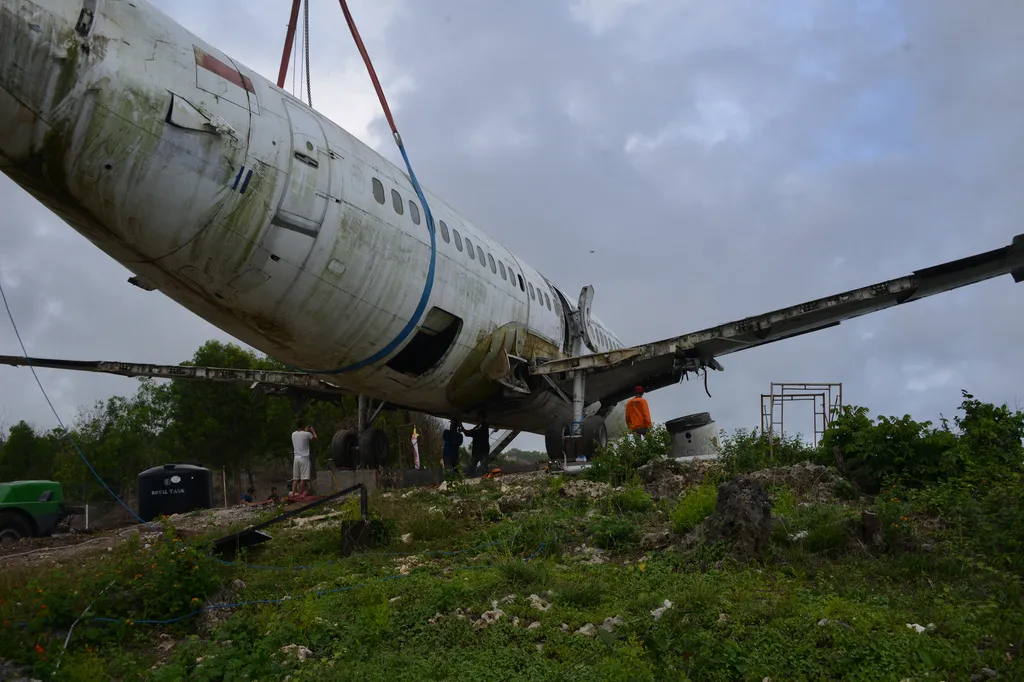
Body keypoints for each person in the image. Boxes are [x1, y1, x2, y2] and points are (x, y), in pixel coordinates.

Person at [290, 418, 318, 497]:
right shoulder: (307, 434)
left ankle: (292, 494)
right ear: (303, 425)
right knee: (303, 478)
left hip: (296, 458)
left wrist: (305, 430)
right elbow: (316, 438)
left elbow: (300, 435)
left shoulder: (293, 434)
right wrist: (312, 430)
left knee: (295, 478)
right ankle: (299, 494)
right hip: (304, 458)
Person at [464, 413, 491, 478]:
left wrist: (461, 427)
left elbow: (469, 433)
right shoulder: (480, 427)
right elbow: (469, 433)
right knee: (477, 467)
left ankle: (471, 478)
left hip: (480, 451)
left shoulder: (481, 426)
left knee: (476, 467)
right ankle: (484, 479)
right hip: (480, 451)